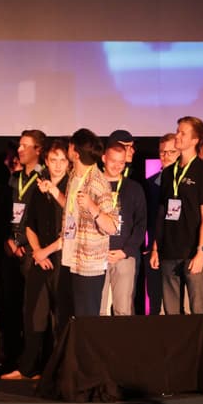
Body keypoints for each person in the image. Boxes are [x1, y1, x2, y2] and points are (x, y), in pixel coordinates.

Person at [1, 139, 68, 380]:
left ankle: (58, 368)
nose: (57, 165)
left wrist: (46, 251)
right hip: (40, 258)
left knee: (61, 318)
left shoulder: (71, 188)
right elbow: (29, 225)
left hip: (63, 259)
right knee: (34, 315)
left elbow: (73, 226)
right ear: (46, 161)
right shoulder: (39, 188)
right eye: (53, 160)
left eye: (62, 160)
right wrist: (38, 251)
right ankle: (28, 368)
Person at [150, 116, 203, 320]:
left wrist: (201, 252)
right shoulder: (168, 173)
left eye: (182, 133)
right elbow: (162, 214)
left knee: (198, 311)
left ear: (195, 140)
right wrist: (156, 248)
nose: (177, 136)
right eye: (177, 131)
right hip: (168, 251)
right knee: (171, 313)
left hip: (192, 252)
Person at [0, 130, 46, 370]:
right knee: (10, 305)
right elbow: (6, 212)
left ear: (38, 150)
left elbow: (41, 218)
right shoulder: (14, 178)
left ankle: (34, 363)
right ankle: (12, 360)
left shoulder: (44, 178)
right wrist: (9, 239)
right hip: (11, 249)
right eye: (19, 145)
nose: (19, 150)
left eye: (25, 146)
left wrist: (25, 244)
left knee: (33, 308)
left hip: (31, 250)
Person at [62, 128, 117, 317]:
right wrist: (53, 191)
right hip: (71, 258)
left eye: (70, 146)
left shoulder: (98, 182)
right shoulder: (73, 176)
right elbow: (72, 209)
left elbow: (112, 226)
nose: (67, 149)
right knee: (71, 318)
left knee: (86, 319)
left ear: (75, 153)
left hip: (89, 265)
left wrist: (92, 206)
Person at [99, 142, 147, 316]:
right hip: (97, 256)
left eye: (121, 162)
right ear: (104, 158)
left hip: (124, 256)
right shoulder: (94, 186)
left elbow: (141, 224)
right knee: (98, 310)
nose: (117, 166)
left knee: (123, 310)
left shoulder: (134, 188)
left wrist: (125, 251)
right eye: (113, 161)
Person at [144, 133, 178, 315]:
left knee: (177, 302)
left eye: (172, 152)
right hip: (154, 248)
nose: (166, 156)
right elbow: (146, 218)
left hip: (179, 249)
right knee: (155, 300)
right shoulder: (150, 183)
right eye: (163, 152)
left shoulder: (187, 182)